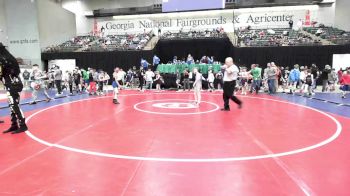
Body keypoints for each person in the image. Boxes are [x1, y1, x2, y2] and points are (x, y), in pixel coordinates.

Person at [0, 43, 28, 134]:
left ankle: (23, 125)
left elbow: (5, 73)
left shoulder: (5, 59)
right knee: (11, 104)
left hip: (12, 84)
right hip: (11, 83)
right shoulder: (7, 57)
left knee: (14, 104)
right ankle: (14, 124)